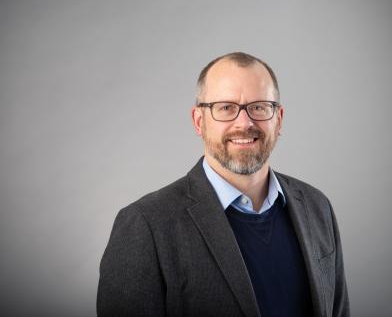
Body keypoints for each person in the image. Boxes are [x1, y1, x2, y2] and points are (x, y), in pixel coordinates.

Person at [97, 52, 349, 317]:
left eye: (259, 106)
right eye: (226, 108)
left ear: (279, 119)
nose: (245, 123)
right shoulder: (146, 225)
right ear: (198, 121)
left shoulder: (317, 207)